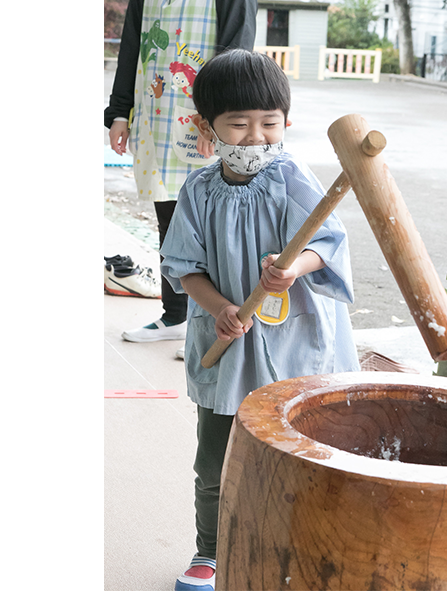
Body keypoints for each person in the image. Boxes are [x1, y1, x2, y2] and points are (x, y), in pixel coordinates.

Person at [160, 49, 360, 591]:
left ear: (286, 123)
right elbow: (184, 266)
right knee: (216, 455)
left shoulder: (292, 178)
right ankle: (211, 551)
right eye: (239, 124)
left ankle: (299, 547)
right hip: (229, 339)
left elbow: (329, 244)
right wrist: (218, 307)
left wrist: (294, 267)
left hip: (294, 342)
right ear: (208, 127)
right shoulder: (198, 190)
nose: (255, 137)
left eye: (269, 123)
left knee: (302, 449)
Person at [104, 0, 257, 347]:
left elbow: (237, 52)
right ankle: (176, 316)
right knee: (169, 217)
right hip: (156, 114)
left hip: (203, 120)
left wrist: (215, 118)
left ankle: (214, 321)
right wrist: (118, 112)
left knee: (214, 222)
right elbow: (132, 47)